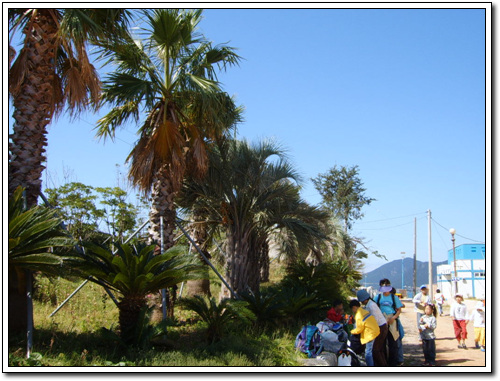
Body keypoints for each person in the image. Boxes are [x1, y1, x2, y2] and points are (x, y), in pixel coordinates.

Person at [375, 279, 403, 366]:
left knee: (393, 344)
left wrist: (393, 318)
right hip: (381, 321)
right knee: (381, 343)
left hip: (392, 321)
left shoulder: (394, 298)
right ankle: (383, 363)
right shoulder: (378, 297)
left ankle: (393, 364)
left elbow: (399, 310)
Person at [357, 289, 388, 367]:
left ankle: (382, 365)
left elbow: (375, 319)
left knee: (376, 350)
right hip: (379, 327)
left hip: (381, 327)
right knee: (379, 349)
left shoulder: (371, 306)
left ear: (365, 299)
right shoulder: (369, 305)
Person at [349, 299, 380, 367]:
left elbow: (359, 329)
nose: (352, 311)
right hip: (374, 330)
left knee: (368, 353)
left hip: (370, 333)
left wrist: (352, 331)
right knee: (370, 350)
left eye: (352, 309)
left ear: (354, 307)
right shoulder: (363, 310)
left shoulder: (358, 315)